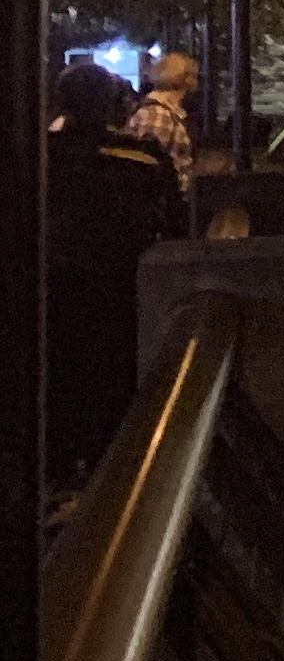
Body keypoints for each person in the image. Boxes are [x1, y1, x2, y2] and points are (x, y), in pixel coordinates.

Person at [48, 59, 186, 490]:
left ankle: (59, 472)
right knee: (113, 379)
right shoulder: (141, 160)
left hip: (53, 288)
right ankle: (111, 477)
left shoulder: (40, 156)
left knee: (58, 378)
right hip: (120, 290)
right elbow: (176, 220)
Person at [128, 46, 199, 169]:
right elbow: (149, 166)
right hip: (166, 186)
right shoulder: (159, 115)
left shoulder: (158, 111)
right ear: (187, 80)